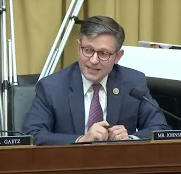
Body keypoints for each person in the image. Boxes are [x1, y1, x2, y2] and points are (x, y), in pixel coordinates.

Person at [22, 15, 171, 145]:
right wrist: (81, 140)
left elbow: (160, 129)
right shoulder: (51, 87)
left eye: (103, 53)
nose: (93, 60)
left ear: (118, 56)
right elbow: (32, 134)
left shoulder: (133, 83)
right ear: (79, 46)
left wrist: (130, 139)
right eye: (87, 50)